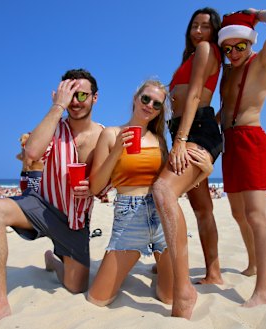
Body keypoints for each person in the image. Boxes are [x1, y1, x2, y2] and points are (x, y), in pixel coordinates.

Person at [0, 69, 105, 329]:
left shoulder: (104, 135)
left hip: (75, 220)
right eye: (71, 95)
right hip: (40, 205)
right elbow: (32, 151)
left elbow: (108, 182)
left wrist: (95, 188)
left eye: (82, 94)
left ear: (95, 98)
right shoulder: (54, 126)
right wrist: (58, 106)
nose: (76, 101)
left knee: (75, 287)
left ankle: (53, 260)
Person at [86, 80, 215, 307]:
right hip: (128, 220)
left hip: (161, 220)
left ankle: (160, 267)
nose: (149, 106)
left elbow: (172, 191)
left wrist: (204, 174)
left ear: (159, 111)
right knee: (97, 299)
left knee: (168, 298)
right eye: (145, 99)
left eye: (157, 104)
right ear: (136, 99)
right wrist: (117, 149)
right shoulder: (110, 133)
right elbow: (96, 187)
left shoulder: (160, 141)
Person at [151, 7, 225, 319]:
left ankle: (184, 288)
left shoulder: (207, 50)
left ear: (214, 32)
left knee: (164, 191)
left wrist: (180, 141)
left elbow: (195, 95)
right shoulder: (190, 57)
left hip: (195, 130)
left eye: (205, 27)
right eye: (194, 26)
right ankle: (214, 272)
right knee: (202, 208)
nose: (198, 32)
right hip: (184, 128)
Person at [218, 9, 266, 307]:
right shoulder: (227, 70)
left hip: (251, 139)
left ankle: (262, 291)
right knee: (238, 214)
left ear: (250, 43)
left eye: (240, 46)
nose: (234, 53)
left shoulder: (262, 61)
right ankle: (251, 264)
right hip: (229, 143)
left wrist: (257, 14)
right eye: (228, 48)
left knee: (256, 215)